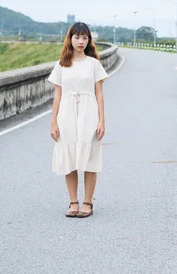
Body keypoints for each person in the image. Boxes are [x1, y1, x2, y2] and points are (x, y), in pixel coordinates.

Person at [47, 22, 110, 218]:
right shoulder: (61, 64)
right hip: (66, 113)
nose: (81, 41)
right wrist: (53, 122)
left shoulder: (94, 64)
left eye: (85, 38)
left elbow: (99, 94)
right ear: (70, 39)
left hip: (88, 112)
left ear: (89, 40)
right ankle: (73, 201)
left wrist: (101, 121)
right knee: (69, 156)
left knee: (89, 156)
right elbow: (57, 95)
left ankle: (88, 203)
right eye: (77, 37)